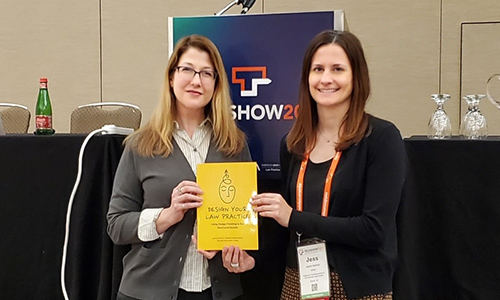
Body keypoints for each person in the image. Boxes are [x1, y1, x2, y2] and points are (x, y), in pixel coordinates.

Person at [251, 30, 406, 300]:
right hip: (297, 283)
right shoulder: (293, 143)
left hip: (358, 287)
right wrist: (251, 259)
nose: (326, 79)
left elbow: (374, 230)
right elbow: (283, 227)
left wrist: (293, 217)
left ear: (356, 77)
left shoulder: (381, 138)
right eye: (318, 69)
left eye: (338, 69)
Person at [107, 34, 255, 300]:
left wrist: (235, 250)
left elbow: (246, 221)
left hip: (218, 291)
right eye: (188, 69)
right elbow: (116, 224)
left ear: (216, 84)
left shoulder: (235, 145)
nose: (197, 80)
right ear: (172, 77)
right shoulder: (141, 145)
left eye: (207, 73)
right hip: (147, 291)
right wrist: (167, 216)